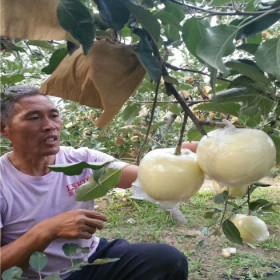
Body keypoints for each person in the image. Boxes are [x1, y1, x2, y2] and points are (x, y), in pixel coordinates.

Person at [0, 85, 191, 280]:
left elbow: (147, 176)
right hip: (35, 276)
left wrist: (187, 157)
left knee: (166, 260)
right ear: (3, 128)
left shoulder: (82, 160)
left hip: (88, 260)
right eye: (34, 118)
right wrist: (47, 230)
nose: (50, 125)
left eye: (54, 115)